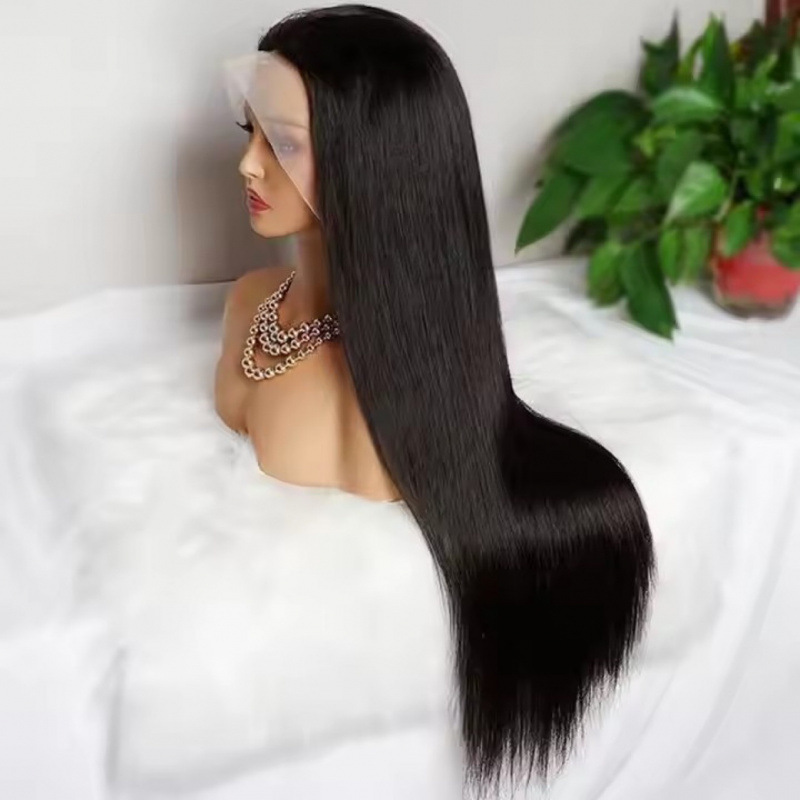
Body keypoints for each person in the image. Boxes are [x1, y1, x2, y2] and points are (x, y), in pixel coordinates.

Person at [216, 5, 656, 794]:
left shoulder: (363, 404)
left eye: (283, 143)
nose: (249, 166)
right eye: (249, 132)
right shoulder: (251, 301)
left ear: (378, 162)